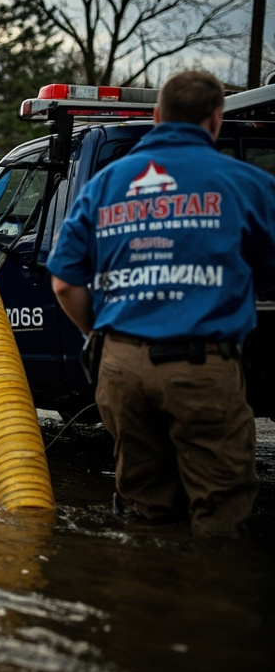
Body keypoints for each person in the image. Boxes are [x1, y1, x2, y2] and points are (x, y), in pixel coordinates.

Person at [48, 70, 275, 537]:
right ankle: (208, 600)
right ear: (215, 121)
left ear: (156, 117)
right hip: (201, 367)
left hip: (120, 369)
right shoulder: (246, 183)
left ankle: (141, 598)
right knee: (220, 513)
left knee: (143, 511)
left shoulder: (106, 184)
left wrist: (101, 337)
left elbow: (64, 283)